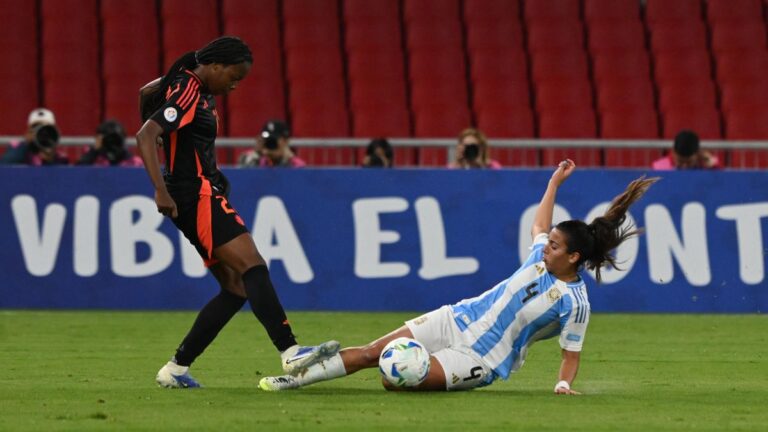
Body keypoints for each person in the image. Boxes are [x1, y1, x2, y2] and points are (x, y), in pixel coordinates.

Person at [259, 160, 658, 393]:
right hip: (455, 318)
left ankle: (401, 375)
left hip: (480, 359)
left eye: (554, 246)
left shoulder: (576, 303)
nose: (545, 246)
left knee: (397, 378)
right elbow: (539, 225)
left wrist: (563, 385)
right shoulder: (539, 258)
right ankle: (294, 381)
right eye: (548, 242)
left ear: (573, 257)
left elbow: (571, 354)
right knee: (373, 353)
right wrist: (553, 183)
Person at [135, 36, 338, 389]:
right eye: (233, 76)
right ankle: (290, 352)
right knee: (252, 265)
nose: (235, 84)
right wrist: (160, 188)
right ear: (215, 66)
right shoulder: (188, 89)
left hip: (199, 190)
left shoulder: (193, 87)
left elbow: (146, 92)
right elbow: (145, 134)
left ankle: (176, 369)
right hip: (193, 194)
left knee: (235, 287)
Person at [1, 108, 68, 166]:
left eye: (46, 129)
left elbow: (63, 174)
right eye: (35, 127)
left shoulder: (60, 157)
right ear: (28, 131)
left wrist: (50, 160)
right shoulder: (18, 149)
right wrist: (24, 146)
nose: (42, 133)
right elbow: (4, 167)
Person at [237, 120, 306, 168]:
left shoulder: (296, 165)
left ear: (285, 141)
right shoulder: (255, 160)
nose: (270, 143)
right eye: (267, 140)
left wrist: (289, 159)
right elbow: (242, 170)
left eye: (273, 140)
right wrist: (257, 152)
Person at [77, 120, 143, 167]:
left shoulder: (135, 162)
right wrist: (95, 150)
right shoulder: (93, 160)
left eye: (116, 139)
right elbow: (77, 172)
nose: (112, 141)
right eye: (109, 138)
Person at [651, 129, 720, 170]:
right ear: (673, 153)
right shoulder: (659, 168)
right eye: (680, 161)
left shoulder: (707, 165)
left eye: (689, 162)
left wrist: (713, 167)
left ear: (698, 153)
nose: (684, 167)